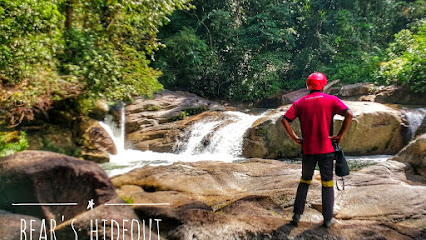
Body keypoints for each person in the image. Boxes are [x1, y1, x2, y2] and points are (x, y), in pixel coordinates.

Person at [281, 72, 353, 228]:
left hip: (308, 150)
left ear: (308, 85)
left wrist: (295, 138)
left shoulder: (299, 103)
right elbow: (349, 114)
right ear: (323, 85)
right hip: (326, 150)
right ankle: (328, 219)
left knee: (304, 181)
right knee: (327, 183)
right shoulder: (331, 100)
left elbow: (285, 120)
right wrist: (340, 135)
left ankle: (297, 215)